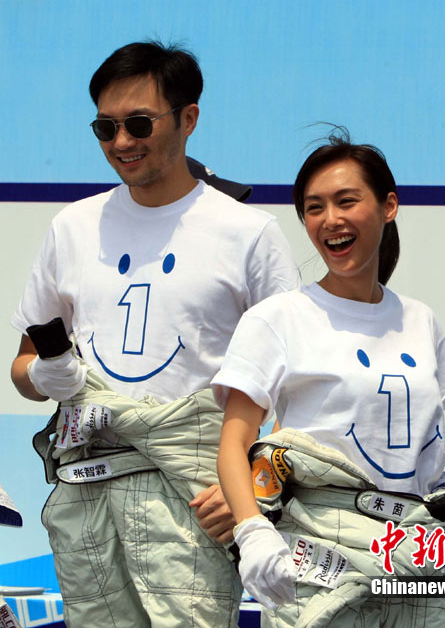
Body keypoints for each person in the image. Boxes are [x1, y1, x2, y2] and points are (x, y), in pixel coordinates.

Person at [10, 40, 299, 627]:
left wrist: (255, 483)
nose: (121, 142)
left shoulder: (248, 233)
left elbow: (299, 380)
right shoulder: (72, 226)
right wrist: (44, 373)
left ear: (188, 118)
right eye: (105, 128)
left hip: (190, 494)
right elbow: (23, 368)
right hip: (86, 487)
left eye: (139, 124)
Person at [213, 131, 445, 627]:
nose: (330, 219)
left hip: (418, 562)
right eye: (314, 208)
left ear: (388, 206)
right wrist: (252, 532)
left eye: (346, 201)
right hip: (321, 559)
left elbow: (434, 457)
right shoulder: (278, 318)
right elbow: (234, 442)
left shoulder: (422, 321)